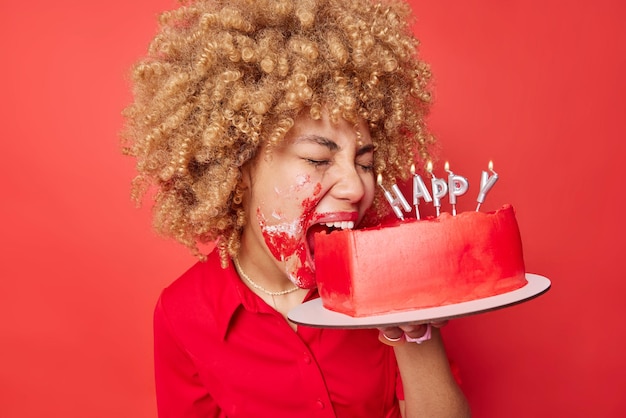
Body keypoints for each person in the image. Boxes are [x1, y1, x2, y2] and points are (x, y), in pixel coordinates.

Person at [122, 0, 470, 416]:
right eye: (318, 160)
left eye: (365, 164)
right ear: (241, 166)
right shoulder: (183, 313)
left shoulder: (394, 272)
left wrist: (415, 332)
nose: (357, 187)